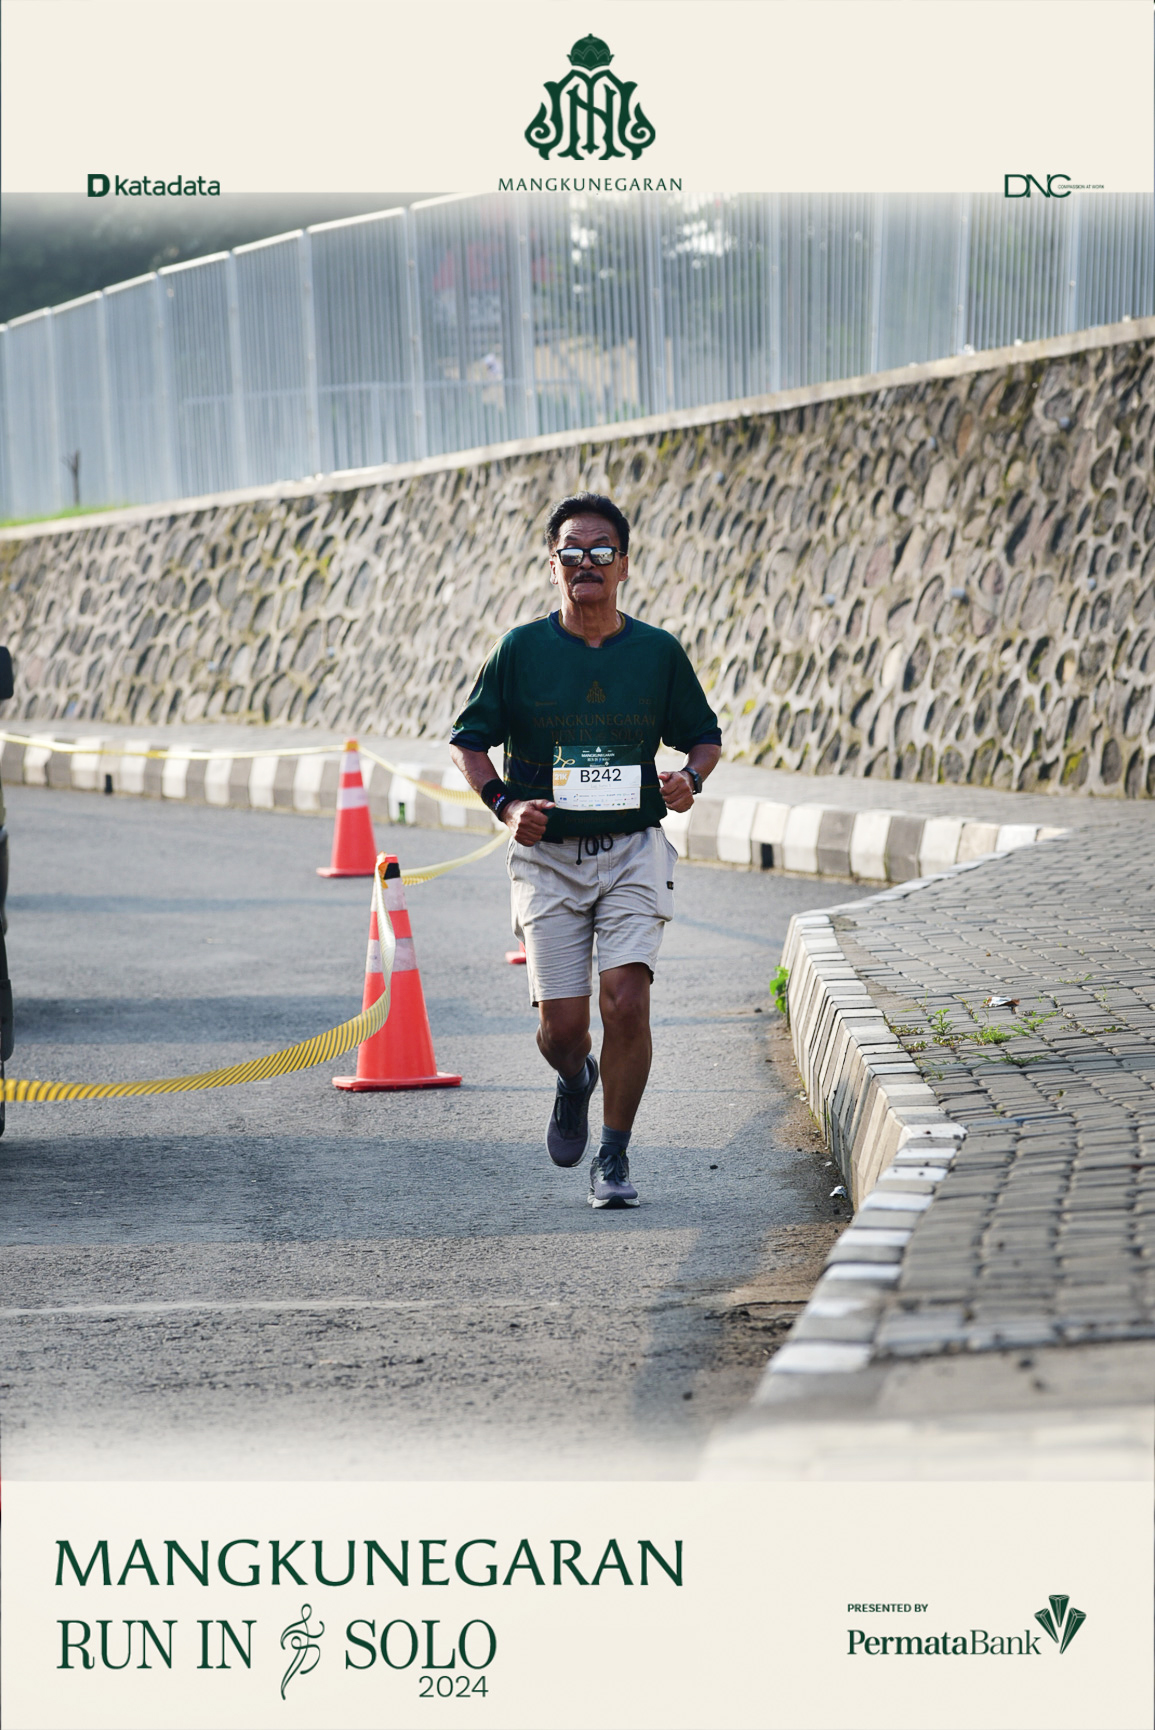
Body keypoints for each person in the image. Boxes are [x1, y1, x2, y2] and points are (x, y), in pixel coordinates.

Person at [449, 492, 721, 1208]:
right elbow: (467, 742)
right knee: (562, 1031)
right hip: (548, 859)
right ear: (553, 566)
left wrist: (689, 779)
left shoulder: (656, 652)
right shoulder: (520, 650)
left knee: (626, 1001)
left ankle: (614, 1154)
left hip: (633, 850)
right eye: (571, 552)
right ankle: (575, 1079)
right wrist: (506, 805)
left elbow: (704, 737)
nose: (586, 563)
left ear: (623, 565)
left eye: (601, 551)